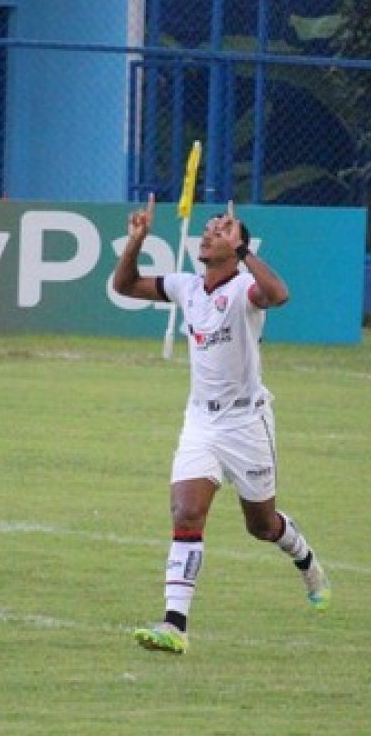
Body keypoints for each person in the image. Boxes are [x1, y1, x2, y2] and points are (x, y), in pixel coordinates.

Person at [112, 194, 331, 654]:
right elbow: (125, 286)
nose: (210, 232)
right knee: (186, 512)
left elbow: (279, 295)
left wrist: (246, 252)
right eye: (210, 228)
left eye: (221, 230)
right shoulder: (186, 286)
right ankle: (175, 625)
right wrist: (135, 241)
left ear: (236, 249)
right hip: (200, 424)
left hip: (247, 424)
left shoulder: (244, 291)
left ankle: (306, 559)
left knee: (263, 525)